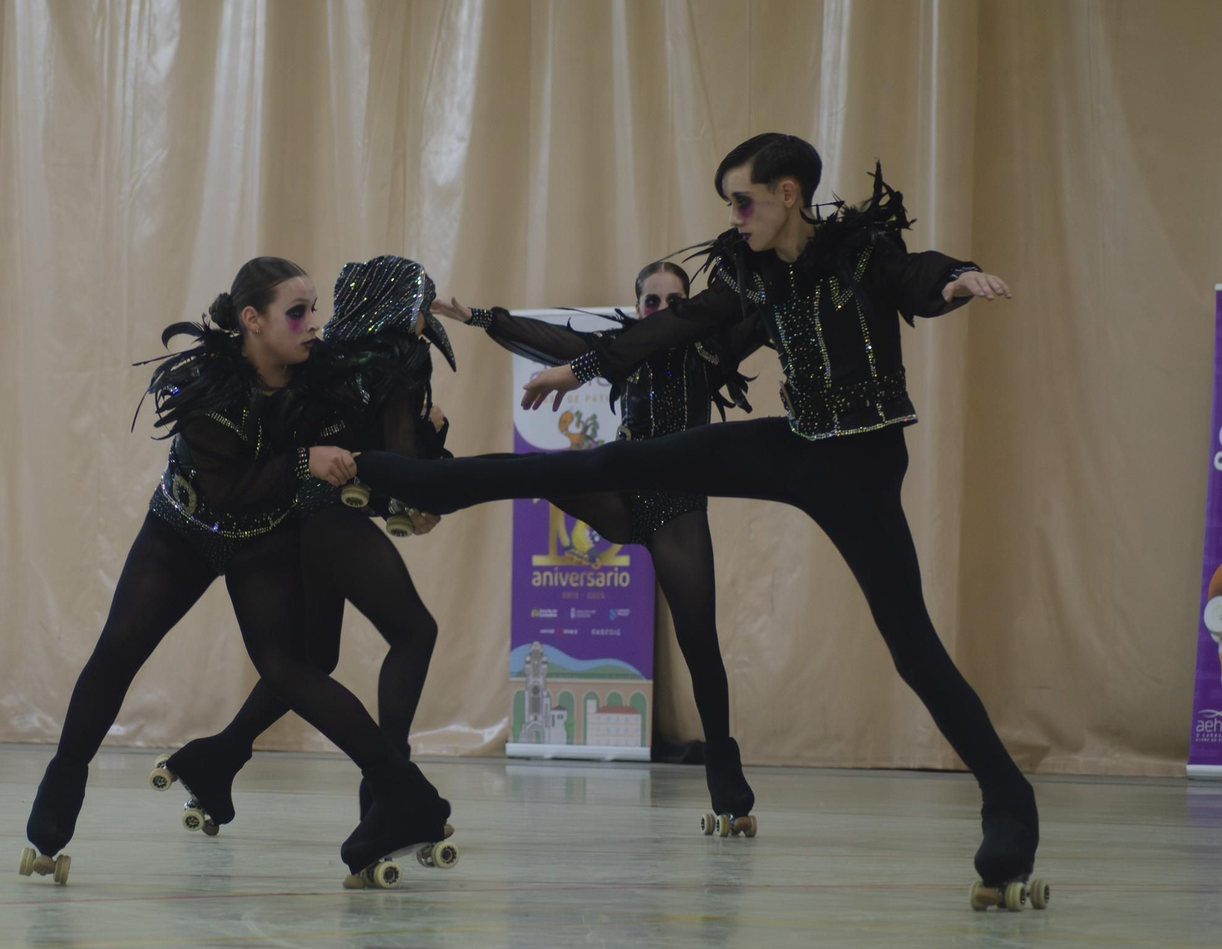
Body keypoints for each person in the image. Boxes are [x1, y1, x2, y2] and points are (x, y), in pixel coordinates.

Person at [354, 134, 1040, 894]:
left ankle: (1010, 806)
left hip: (860, 472)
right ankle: (432, 485)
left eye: (743, 201)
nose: (734, 217)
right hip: (795, 446)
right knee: (610, 462)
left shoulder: (860, 257)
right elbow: (666, 330)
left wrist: (955, 278)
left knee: (913, 651)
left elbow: (915, 275)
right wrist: (580, 368)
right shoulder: (752, 276)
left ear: (787, 194)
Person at [22, 256, 450, 884]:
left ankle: (402, 793)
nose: (313, 323)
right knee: (120, 649)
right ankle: (60, 796)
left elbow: (371, 439)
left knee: (291, 667)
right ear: (252, 319)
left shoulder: (319, 375)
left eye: (314, 309)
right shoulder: (205, 384)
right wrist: (305, 461)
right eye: (296, 312)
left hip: (264, 539)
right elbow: (228, 488)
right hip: (182, 534)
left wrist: (424, 453)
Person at [431, 264, 763, 828]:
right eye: (652, 301)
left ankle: (725, 778)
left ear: (693, 304)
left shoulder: (710, 347)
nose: (662, 310)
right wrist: (477, 317)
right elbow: (550, 341)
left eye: (675, 300)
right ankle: (438, 487)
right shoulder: (621, 349)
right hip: (623, 493)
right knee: (545, 472)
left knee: (699, 642)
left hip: (677, 508)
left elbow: (762, 314)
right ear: (637, 309)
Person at [155, 256, 454, 829]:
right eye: (422, 306)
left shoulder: (331, 351)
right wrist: (432, 445)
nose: (427, 321)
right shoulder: (399, 359)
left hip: (297, 513)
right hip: (322, 515)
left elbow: (350, 448)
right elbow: (394, 472)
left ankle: (219, 758)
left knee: (314, 658)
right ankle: (391, 788)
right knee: (414, 632)